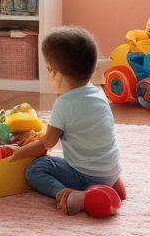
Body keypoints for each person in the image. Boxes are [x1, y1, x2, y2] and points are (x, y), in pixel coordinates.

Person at [11, 26, 126, 214]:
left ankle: (66, 193)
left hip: (86, 176)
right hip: (112, 170)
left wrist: (18, 153)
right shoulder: (99, 93)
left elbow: (47, 143)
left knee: (35, 169)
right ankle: (110, 184)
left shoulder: (64, 104)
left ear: (53, 72)